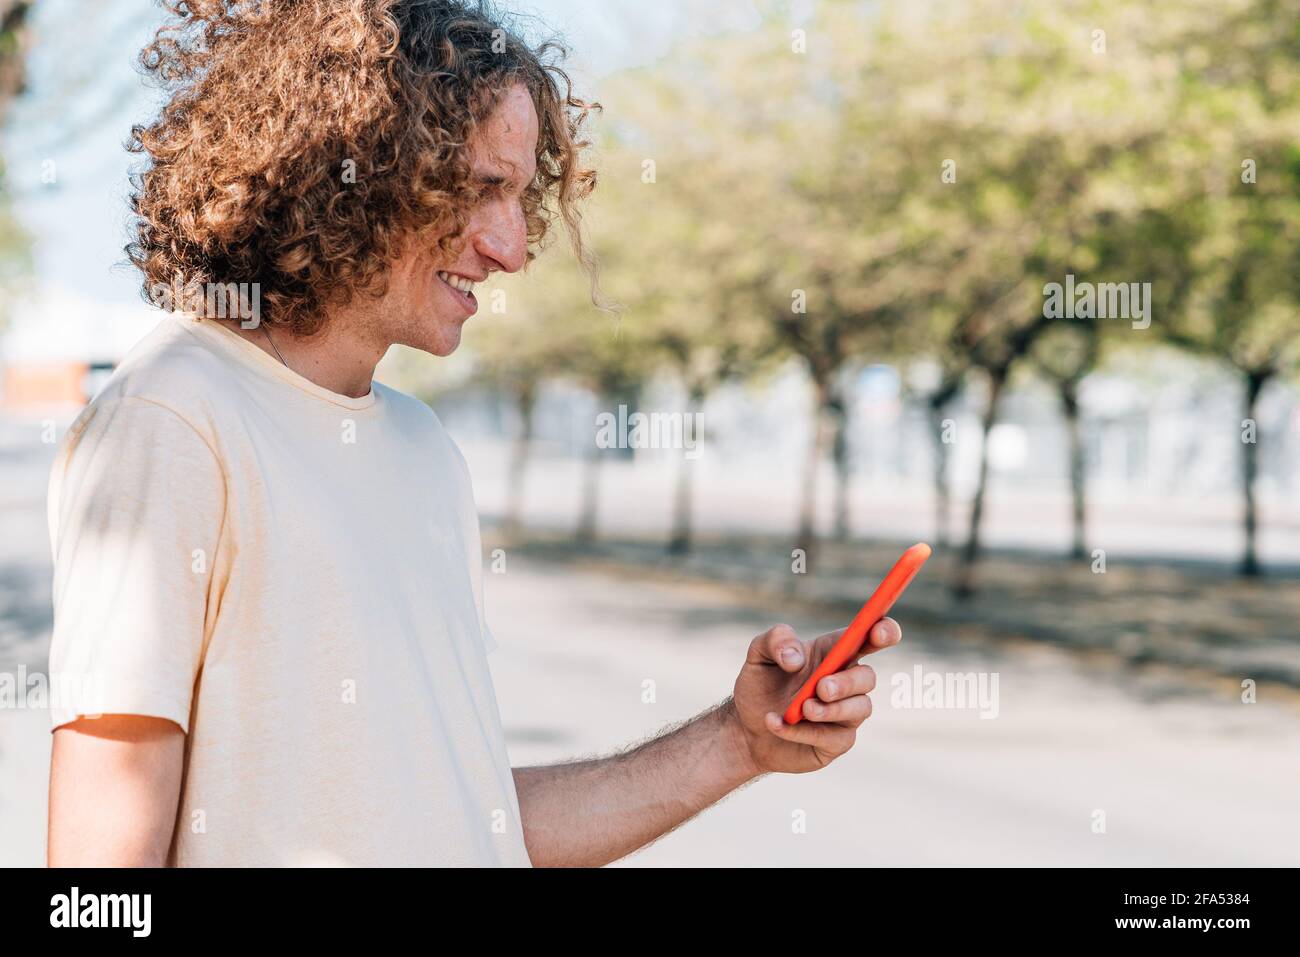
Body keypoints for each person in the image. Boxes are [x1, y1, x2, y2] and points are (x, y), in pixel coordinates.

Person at [45, 0, 902, 867]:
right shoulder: (174, 420)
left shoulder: (425, 451)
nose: (512, 248)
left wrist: (739, 741)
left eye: (523, 196)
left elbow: (468, 816)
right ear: (360, 165)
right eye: (483, 187)